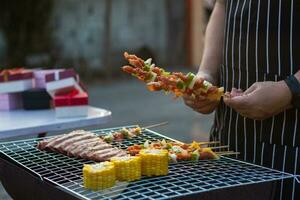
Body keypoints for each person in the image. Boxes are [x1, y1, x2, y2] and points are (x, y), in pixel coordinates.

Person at [184, 0, 300, 199]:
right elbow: (222, 7)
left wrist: (290, 89)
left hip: (291, 148)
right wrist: (207, 74)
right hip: (227, 140)